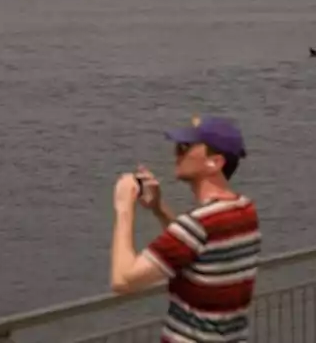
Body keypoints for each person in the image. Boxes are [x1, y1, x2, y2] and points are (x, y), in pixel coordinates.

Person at [110, 115, 260, 343]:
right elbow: (196, 249)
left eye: (185, 147)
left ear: (215, 162)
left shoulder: (198, 225)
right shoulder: (245, 211)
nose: (176, 153)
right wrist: (159, 208)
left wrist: (124, 208)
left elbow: (123, 280)